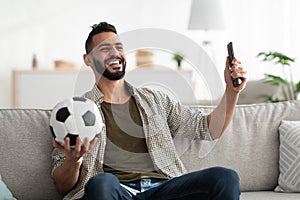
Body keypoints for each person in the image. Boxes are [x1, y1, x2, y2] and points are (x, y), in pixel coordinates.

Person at [51, 22, 247, 200]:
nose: (115, 53)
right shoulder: (75, 112)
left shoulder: (155, 99)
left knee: (225, 177)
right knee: (102, 182)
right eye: (105, 48)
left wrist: (232, 90)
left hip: (163, 189)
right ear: (88, 60)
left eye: (119, 47)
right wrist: (74, 160)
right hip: (116, 191)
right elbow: (62, 186)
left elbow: (208, 128)